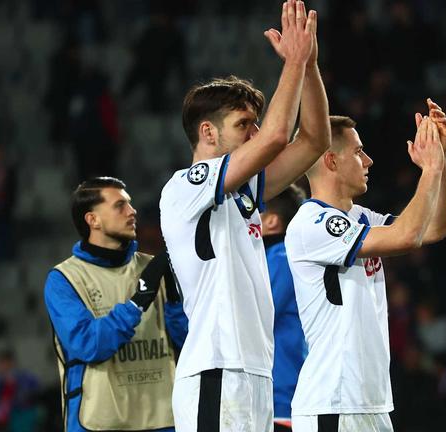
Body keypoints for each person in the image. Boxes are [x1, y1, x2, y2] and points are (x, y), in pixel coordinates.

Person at [159, 1, 330, 430]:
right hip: (216, 368)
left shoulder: (242, 191)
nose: (254, 133)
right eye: (243, 124)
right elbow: (275, 137)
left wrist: (308, 65)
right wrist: (291, 62)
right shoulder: (186, 186)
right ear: (207, 131)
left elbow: (314, 140)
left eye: (254, 124)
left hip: (255, 372)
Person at [284, 105, 446, 432]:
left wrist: (440, 160)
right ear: (331, 161)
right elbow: (407, 235)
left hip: (368, 403)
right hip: (333, 402)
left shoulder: (361, 218)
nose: (368, 161)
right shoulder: (312, 224)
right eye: (359, 152)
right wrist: (429, 170)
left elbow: (436, 227)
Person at [44, 177, 187, 432]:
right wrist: (137, 303)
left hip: (165, 420)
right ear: (93, 220)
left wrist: (176, 301)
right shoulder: (64, 279)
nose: (132, 212)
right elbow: (89, 345)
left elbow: (186, 345)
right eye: (120, 205)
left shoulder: (154, 267)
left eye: (130, 204)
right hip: (99, 423)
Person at [264, 185, 308, 431]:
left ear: (271, 221)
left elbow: (255, 318)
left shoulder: (280, 257)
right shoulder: (284, 255)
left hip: (281, 397)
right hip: (283, 393)